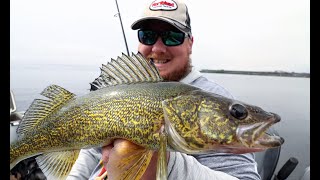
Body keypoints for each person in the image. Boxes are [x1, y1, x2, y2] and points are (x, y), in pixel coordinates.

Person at [67, 0, 261, 179]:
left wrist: (168, 165)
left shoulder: (214, 98)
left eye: (172, 36)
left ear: (190, 43)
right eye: (148, 36)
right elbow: (90, 150)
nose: (158, 48)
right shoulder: (120, 88)